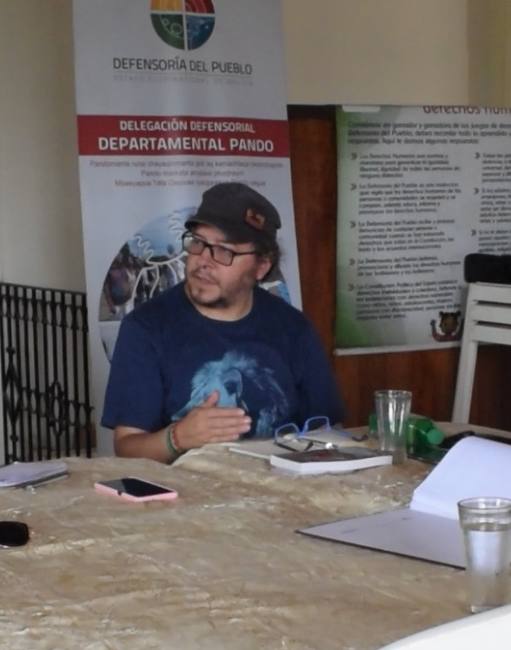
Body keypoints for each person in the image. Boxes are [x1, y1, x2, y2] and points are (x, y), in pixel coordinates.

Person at [101, 182, 344, 462]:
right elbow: (127, 448)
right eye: (198, 243)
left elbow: (328, 433)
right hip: (184, 498)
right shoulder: (146, 328)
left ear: (261, 266)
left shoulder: (293, 328)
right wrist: (178, 437)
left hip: (279, 494)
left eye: (224, 251)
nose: (203, 260)